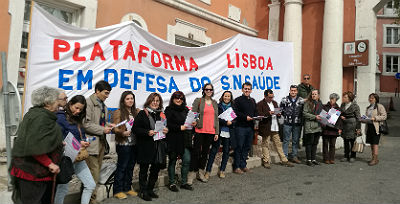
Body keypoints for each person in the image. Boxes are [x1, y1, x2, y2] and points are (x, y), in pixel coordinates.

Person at [10, 86, 65, 204]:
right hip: (32, 172)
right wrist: (49, 163)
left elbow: (41, 140)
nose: (59, 104)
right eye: (56, 101)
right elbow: (34, 146)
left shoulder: (36, 114)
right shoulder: (41, 118)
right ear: (47, 103)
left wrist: (57, 143)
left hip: (32, 170)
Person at [55, 95, 96, 204]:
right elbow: (58, 138)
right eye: (76, 107)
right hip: (65, 159)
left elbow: (77, 136)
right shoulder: (60, 117)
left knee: (90, 185)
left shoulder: (78, 119)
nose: (78, 111)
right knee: (62, 189)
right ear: (70, 104)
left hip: (78, 157)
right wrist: (78, 143)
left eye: (81, 109)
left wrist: (83, 141)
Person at [83, 80, 115, 204]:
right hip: (91, 144)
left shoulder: (103, 106)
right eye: (105, 93)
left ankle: (88, 198)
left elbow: (100, 122)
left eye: (108, 94)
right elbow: (86, 124)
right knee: (94, 174)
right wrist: (103, 129)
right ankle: (91, 200)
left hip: (101, 143)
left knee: (94, 173)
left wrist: (108, 125)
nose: (107, 96)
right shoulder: (88, 103)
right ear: (97, 91)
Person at [133, 93, 168, 201]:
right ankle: (143, 191)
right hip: (145, 147)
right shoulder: (143, 114)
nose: (155, 102)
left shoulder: (161, 114)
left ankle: (150, 189)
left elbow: (164, 128)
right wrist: (147, 132)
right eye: (153, 100)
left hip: (158, 147)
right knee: (143, 170)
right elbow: (135, 129)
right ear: (149, 101)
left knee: (155, 170)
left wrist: (166, 130)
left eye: (157, 101)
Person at [112, 91, 140, 199]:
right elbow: (114, 128)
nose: (130, 100)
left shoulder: (136, 112)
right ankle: (118, 190)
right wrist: (122, 132)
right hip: (123, 143)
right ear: (123, 101)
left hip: (134, 143)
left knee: (131, 167)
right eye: (127, 99)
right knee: (122, 167)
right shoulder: (118, 112)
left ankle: (128, 188)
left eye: (132, 98)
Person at [257, 89, 294, 169]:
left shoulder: (274, 103)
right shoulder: (260, 104)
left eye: (272, 97)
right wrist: (268, 113)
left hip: (275, 126)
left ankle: (284, 160)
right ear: (265, 96)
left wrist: (279, 113)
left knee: (278, 143)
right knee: (265, 143)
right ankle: (266, 160)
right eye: (270, 97)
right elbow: (259, 115)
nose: (271, 99)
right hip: (266, 127)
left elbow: (278, 112)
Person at [165, 91, 194, 192]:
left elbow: (188, 123)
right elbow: (167, 124)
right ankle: (172, 182)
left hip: (184, 139)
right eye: (177, 98)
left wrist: (193, 123)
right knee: (172, 161)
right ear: (173, 99)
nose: (179, 100)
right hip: (173, 139)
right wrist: (179, 127)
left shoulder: (186, 109)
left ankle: (184, 182)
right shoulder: (168, 109)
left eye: (181, 98)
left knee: (186, 160)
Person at [190, 83, 219, 182]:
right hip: (200, 130)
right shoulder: (199, 101)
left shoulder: (214, 102)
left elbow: (216, 118)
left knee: (205, 153)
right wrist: (196, 122)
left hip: (211, 131)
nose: (209, 91)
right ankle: (191, 173)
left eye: (211, 90)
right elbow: (193, 114)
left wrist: (216, 132)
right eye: (207, 89)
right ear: (204, 90)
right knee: (196, 152)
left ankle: (201, 172)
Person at [205, 91, 235, 178]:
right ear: (223, 97)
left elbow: (235, 120)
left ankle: (222, 170)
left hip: (228, 132)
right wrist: (226, 122)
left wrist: (231, 123)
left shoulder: (233, 107)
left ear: (230, 97)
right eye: (225, 96)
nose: (227, 98)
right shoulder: (218, 106)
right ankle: (208, 171)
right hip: (219, 131)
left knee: (226, 151)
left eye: (229, 96)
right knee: (214, 150)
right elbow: (216, 119)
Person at [232, 82, 257, 174]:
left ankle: (243, 165)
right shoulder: (238, 100)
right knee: (239, 147)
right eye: (245, 89)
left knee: (246, 147)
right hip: (240, 127)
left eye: (249, 89)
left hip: (250, 128)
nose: (247, 90)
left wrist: (257, 117)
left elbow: (255, 112)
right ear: (242, 90)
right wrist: (245, 117)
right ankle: (237, 166)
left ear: (251, 90)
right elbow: (235, 112)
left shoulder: (253, 100)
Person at [280, 85, 304, 164]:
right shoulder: (284, 100)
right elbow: (280, 110)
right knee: (286, 140)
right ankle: (285, 157)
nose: (293, 92)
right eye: (292, 90)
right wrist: (284, 116)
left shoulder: (301, 100)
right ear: (290, 91)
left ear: (297, 91)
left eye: (294, 91)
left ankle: (294, 156)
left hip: (297, 123)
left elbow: (303, 111)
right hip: (287, 123)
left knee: (295, 140)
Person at [364, 93, 387, 166]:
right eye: (370, 98)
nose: (370, 99)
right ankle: (373, 157)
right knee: (371, 143)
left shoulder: (379, 106)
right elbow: (367, 117)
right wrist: (363, 119)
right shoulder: (368, 107)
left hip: (376, 127)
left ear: (376, 99)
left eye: (372, 98)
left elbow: (384, 116)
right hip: (369, 127)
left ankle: (375, 159)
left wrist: (375, 118)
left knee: (375, 143)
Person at [303, 89, 323, 166]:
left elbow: (323, 114)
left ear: (318, 95)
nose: (314, 95)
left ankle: (313, 159)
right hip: (310, 126)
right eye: (312, 94)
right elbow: (304, 113)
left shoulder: (320, 104)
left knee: (315, 143)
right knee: (309, 143)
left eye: (315, 94)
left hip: (318, 126)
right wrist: (315, 117)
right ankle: (308, 160)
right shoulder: (307, 103)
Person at [339, 91, 361, 163]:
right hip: (344, 125)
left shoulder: (355, 106)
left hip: (352, 125)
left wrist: (358, 128)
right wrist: (341, 116)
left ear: (349, 98)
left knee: (352, 142)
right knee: (345, 141)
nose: (343, 98)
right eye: (344, 97)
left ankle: (353, 156)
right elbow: (340, 113)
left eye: (345, 97)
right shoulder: (342, 105)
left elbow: (358, 118)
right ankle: (346, 155)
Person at [321, 93, 342, 164]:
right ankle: (326, 158)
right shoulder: (325, 106)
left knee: (332, 145)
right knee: (325, 144)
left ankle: (332, 158)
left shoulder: (338, 108)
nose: (332, 100)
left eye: (333, 99)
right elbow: (322, 117)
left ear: (336, 100)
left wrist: (338, 128)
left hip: (334, 129)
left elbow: (339, 120)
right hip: (326, 128)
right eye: (331, 98)